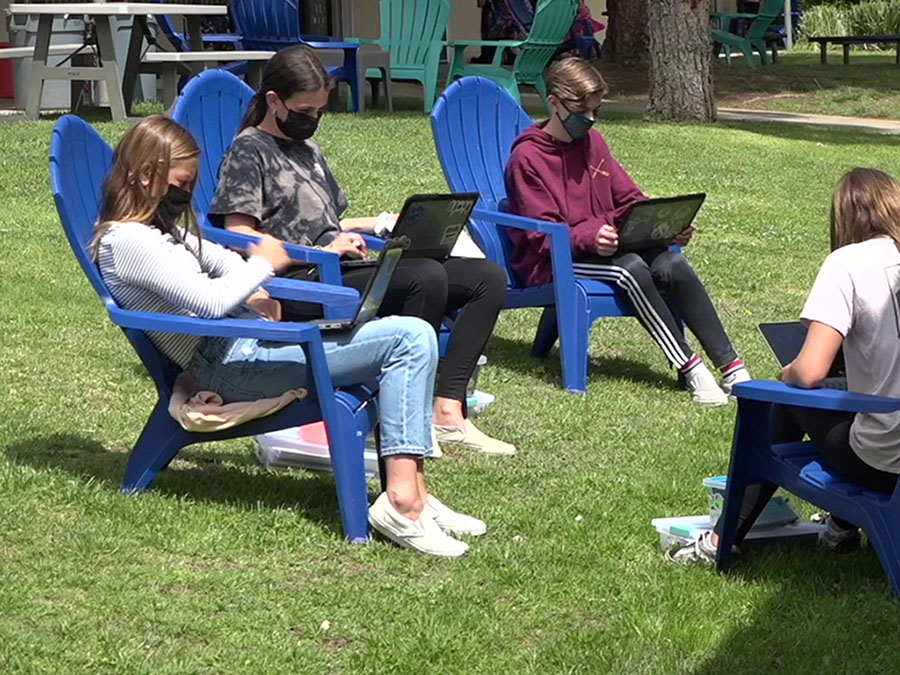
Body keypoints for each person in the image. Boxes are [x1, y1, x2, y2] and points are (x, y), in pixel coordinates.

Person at [94, 115, 486, 557]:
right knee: (409, 338)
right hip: (229, 368)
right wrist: (263, 264)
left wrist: (254, 284)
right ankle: (403, 503)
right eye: (182, 182)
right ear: (147, 176)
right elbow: (207, 302)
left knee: (410, 337)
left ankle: (414, 489)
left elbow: (225, 266)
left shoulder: (163, 233)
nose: (186, 192)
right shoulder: (127, 242)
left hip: (251, 346)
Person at [209, 45, 515, 455]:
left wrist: (380, 225)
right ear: (273, 101)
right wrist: (319, 251)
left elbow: (325, 222)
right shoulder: (249, 151)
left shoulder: (309, 152)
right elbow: (245, 238)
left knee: (485, 278)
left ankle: (447, 410)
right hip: (299, 283)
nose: (313, 119)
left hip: (338, 266)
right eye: (305, 110)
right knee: (422, 278)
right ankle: (401, 417)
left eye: (320, 111)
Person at [671, 168, 900, 564]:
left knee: (785, 403)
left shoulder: (847, 262)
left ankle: (720, 540)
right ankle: (841, 527)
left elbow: (810, 372)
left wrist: (787, 373)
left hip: (886, 462)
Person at [504, 57, 750, 406]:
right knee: (630, 268)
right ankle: (690, 368)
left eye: (596, 110)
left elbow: (629, 198)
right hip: (551, 261)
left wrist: (665, 226)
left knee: (671, 264)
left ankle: (733, 367)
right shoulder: (527, 158)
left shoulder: (594, 144)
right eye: (581, 111)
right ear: (554, 103)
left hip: (603, 248)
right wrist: (589, 237)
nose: (589, 120)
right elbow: (541, 235)